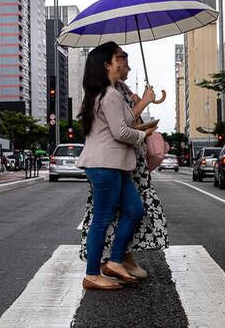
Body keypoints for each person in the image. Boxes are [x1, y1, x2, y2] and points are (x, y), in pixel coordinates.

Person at [78, 48, 169, 280]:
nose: (122, 64)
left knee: (134, 209)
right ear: (106, 65)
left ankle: (116, 260)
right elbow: (119, 132)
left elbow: (124, 121)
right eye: (116, 59)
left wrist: (145, 105)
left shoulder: (109, 93)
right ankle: (92, 274)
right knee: (102, 218)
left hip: (117, 165)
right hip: (105, 165)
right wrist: (143, 135)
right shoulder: (108, 94)